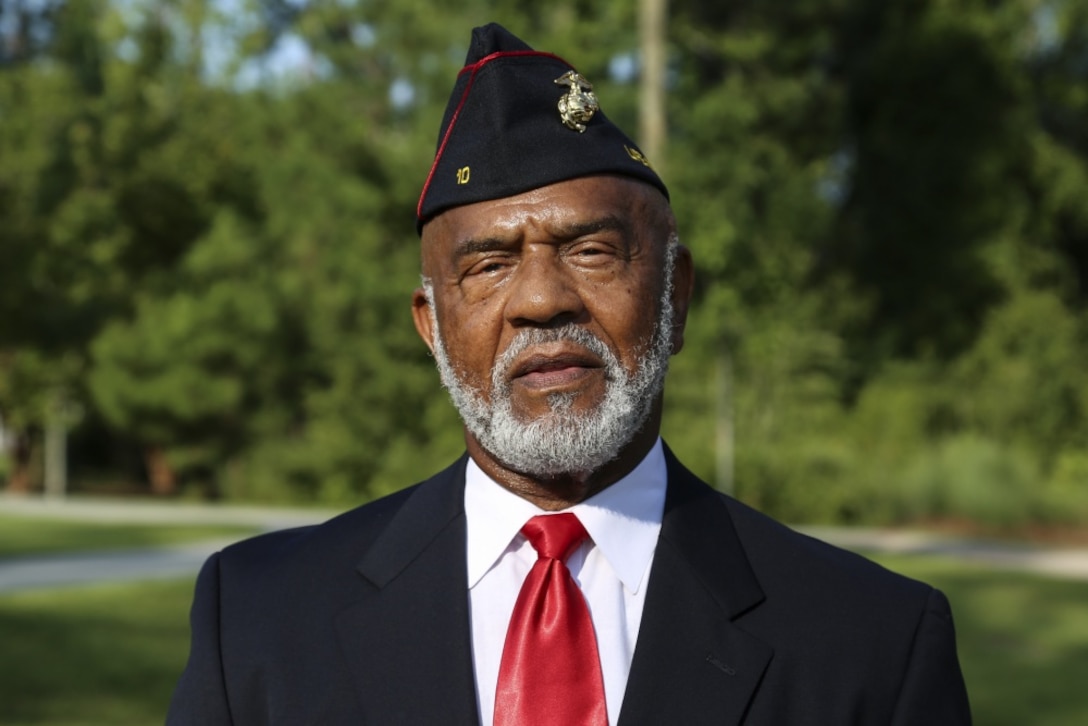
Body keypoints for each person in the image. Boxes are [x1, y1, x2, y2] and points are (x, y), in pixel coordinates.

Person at [167, 23, 971, 725]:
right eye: (487, 266)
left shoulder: (871, 642)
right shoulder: (262, 621)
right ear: (431, 326)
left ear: (675, 297)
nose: (543, 299)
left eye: (592, 251)